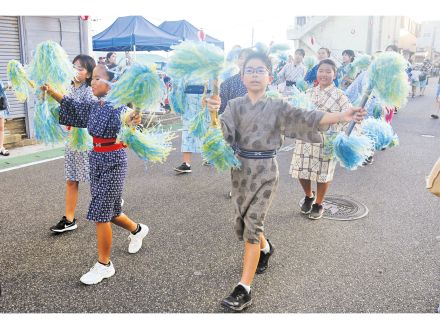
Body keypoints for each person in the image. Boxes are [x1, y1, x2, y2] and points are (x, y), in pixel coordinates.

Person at [206, 51, 366, 311]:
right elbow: (220, 136)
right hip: (239, 170)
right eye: (250, 70)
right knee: (246, 220)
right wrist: (212, 114)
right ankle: (266, 249)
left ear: (269, 76)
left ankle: (243, 288)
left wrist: (342, 116)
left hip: (266, 171)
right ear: (242, 76)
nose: (255, 75)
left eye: (260, 70)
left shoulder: (278, 105)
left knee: (252, 226)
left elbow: (308, 117)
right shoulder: (234, 105)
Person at [41, 64, 149, 285]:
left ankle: (104, 265)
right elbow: (70, 104)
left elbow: (130, 118)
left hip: (114, 162)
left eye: (98, 78)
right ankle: (137, 230)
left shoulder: (118, 108)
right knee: (111, 212)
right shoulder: (94, 105)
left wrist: (135, 117)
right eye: (93, 78)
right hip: (96, 159)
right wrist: (51, 91)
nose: (93, 81)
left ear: (111, 85)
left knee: (101, 212)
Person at [291, 59, 355, 219]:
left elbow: (349, 117)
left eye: (328, 71)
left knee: (323, 174)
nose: (324, 74)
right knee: (301, 171)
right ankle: (308, 195)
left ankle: (319, 203)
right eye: (321, 71)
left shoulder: (341, 96)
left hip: (326, 140)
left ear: (334, 74)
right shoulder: (309, 92)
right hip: (305, 138)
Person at [50, 55, 96, 233]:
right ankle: (69, 219)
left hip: (89, 140)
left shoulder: (90, 91)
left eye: (81, 68)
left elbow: (80, 111)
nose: (76, 71)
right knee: (71, 180)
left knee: (95, 179)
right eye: (74, 67)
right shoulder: (67, 87)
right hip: (72, 139)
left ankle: (113, 202)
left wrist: (55, 95)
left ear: (89, 73)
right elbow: (61, 108)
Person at [173, 80, 212, 173]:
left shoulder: (209, 68)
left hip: (203, 102)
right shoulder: (186, 69)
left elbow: (213, 83)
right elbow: (180, 85)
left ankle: (210, 157)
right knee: (187, 131)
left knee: (205, 130)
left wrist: (208, 98)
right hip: (188, 104)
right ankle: (186, 164)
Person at [219, 48, 253, 114]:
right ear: (237, 61)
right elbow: (221, 109)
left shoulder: (260, 83)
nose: (243, 61)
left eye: (247, 58)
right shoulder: (227, 84)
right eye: (241, 58)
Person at [0, 80, 12, 156]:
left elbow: (1, 90)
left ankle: (1, 147)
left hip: (0, 104)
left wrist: (7, 86)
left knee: (1, 128)